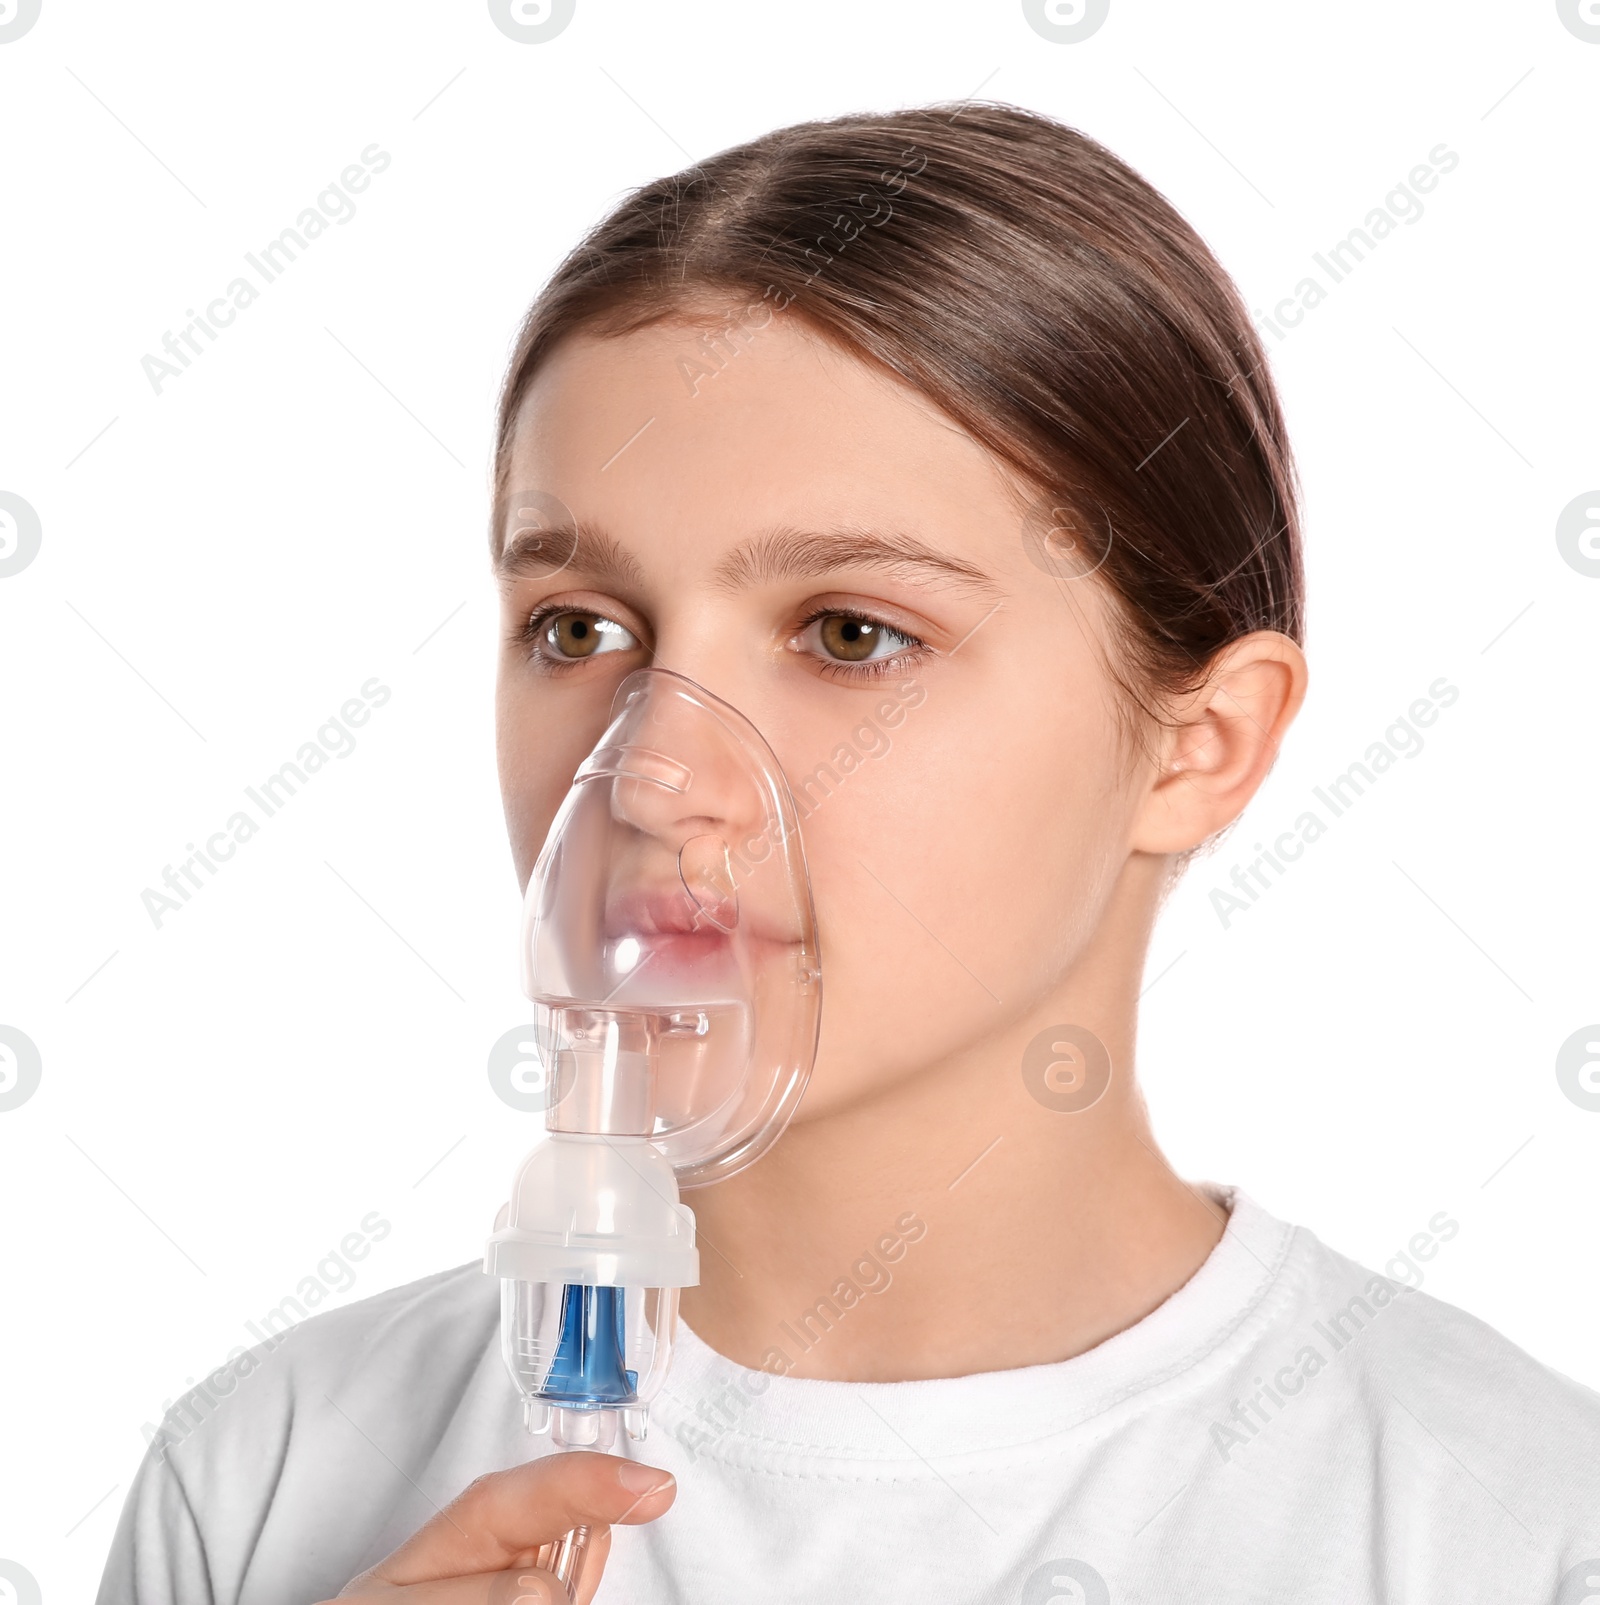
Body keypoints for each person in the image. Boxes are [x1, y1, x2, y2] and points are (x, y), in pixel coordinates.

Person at [98, 102, 1600, 1605]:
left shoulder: (1506, 1528)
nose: (655, 771)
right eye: (580, 628)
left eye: (851, 633)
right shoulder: (267, 1485)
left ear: (1200, 743)